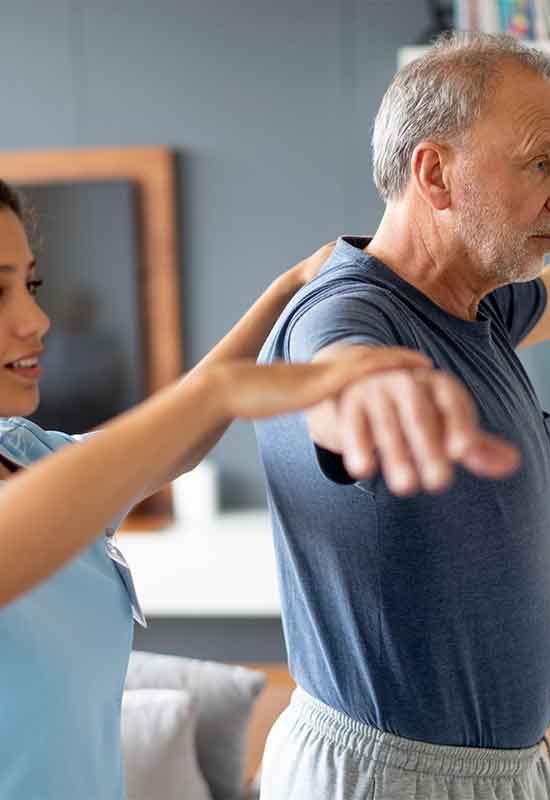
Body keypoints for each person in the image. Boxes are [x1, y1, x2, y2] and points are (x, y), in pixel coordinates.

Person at [254, 32, 550, 800]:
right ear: (436, 173)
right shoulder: (347, 308)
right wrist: (375, 402)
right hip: (386, 779)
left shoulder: (472, 305)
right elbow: (335, 373)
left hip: (499, 770)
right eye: (540, 163)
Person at [0, 177, 436, 799]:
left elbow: (164, 447)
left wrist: (286, 291)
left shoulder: (24, 453)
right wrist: (222, 391)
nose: (36, 319)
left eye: (30, 285)